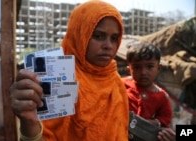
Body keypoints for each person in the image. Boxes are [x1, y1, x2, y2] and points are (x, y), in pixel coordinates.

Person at [9, 0, 129, 140]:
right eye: (98, 36)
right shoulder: (55, 77)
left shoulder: (115, 81)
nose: (108, 45)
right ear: (78, 34)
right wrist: (29, 123)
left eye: (114, 38)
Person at [122, 42, 176, 141]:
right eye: (137, 67)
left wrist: (153, 123)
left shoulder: (161, 96)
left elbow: (165, 118)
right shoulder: (121, 85)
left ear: (158, 68)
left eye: (150, 67)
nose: (143, 72)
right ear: (129, 70)